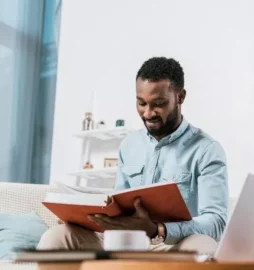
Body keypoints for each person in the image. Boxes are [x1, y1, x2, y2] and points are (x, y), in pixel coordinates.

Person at [37, 57, 229, 253]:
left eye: (158, 104)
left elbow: (215, 222)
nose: (148, 113)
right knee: (57, 237)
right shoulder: (129, 145)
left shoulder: (206, 150)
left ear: (180, 97)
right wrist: (84, 218)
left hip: (171, 246)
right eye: (141, 103)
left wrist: (158, 229)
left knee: (202, 246)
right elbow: (119, 206)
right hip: (123, 243)